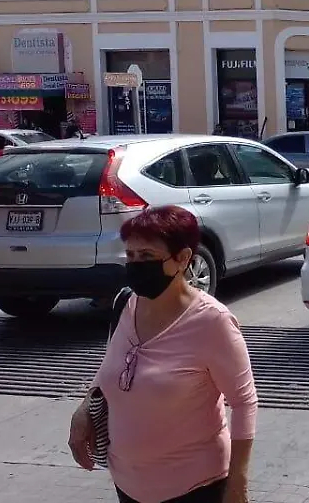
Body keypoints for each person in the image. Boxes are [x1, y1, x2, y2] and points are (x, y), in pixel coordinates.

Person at [68, 205, 257, 503]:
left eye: (146, 257)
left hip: (194, 487)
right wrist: (83, 411)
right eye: (130, 255)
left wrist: (238, 484)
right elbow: (110, 367)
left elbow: (244, 403)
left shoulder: (212, 322)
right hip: (128, 483)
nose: (135, 265)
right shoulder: (125, 305)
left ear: (182, 259)